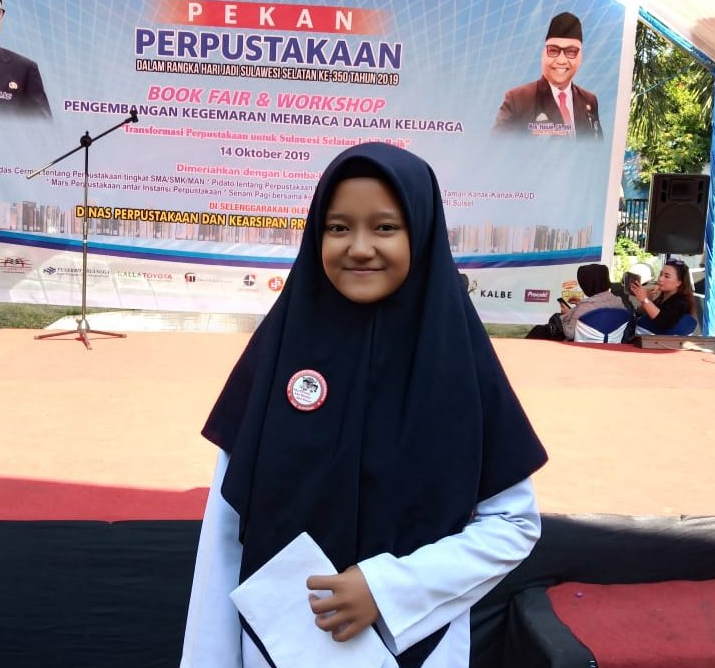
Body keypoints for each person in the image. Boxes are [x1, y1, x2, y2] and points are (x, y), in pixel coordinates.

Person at [181, 143, 547, 668]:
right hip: (276, 648)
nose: (358, 247)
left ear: (421, 233)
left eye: (384, 227)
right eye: (337, 227)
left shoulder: (460, 367)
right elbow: (226, 531)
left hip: (414, 650)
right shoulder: (277, 357)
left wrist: (388, 589)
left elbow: (513, 525)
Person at [492, 12, 603, 139]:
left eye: (571, 52)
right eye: (554, 50)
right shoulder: (517, 101)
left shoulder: (589, 101)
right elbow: (497, 148)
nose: (561, 60)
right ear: (543, 54)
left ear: (580, 57)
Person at [629, 258, 695, 334]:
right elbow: (639, 313)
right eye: (661, 274)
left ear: (679, 283)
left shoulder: (681, 303)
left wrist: (645, 300)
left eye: (667, 276)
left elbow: (662, 321)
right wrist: (648, 299)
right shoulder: (662, 298)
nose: (660, 279)